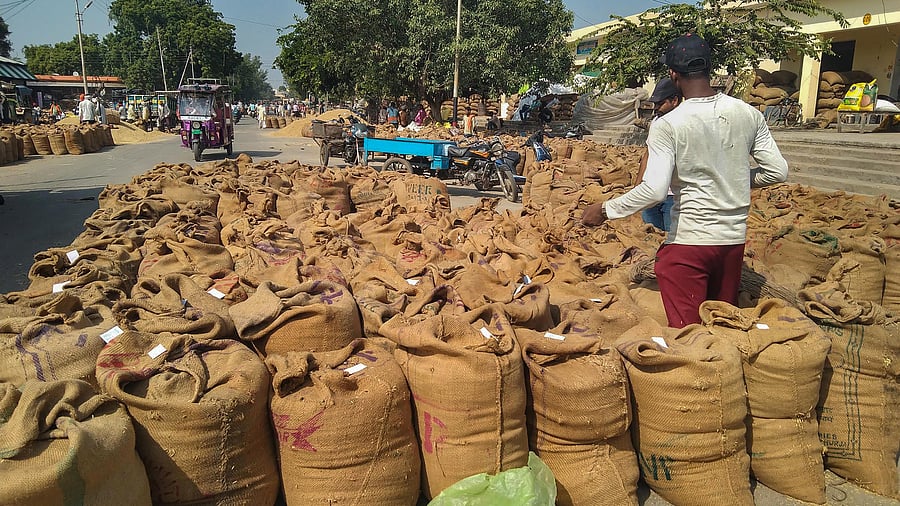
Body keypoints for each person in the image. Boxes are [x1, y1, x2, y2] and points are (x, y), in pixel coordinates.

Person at [582, 34, 788, 328]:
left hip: (690, 243)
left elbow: (654, 190)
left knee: (691, 337)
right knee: (721, 326)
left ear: (672, 74)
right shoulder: (748, 113)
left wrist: (604, 210)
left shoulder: (668, 124)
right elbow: (778, 171)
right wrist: (737, 179)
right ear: (709, 69)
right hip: (732, 243)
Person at [637, 78, 680, 231]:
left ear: (674, 100)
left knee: (671, 239)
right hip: (651, 191)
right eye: (655, 104)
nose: (656, 108)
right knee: (651, 236)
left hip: (673, 196)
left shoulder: (684, 124)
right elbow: (648, 154)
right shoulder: (656, 122)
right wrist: (638, 186)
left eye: (660, 103)